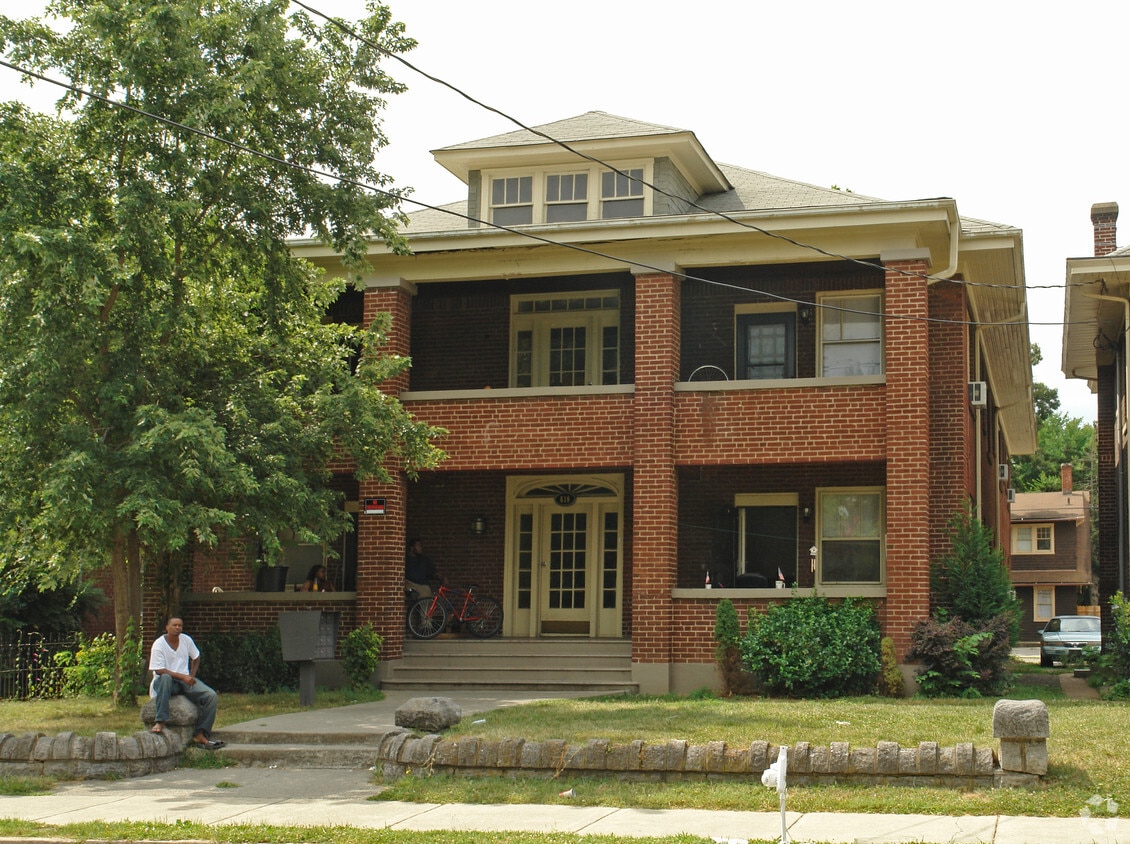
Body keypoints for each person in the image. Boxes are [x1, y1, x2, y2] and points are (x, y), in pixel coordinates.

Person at [148, 617, 224, 749]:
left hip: (184, 680)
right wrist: (183, 677)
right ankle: (160, 721)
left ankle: (200, 733)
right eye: (174, 625)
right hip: (164, 682)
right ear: (167, 627)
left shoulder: (186, 640)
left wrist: (191, 676)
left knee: (211, 695)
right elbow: (159, 670)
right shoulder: (159, 644)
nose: (177, 628)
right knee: (166, 677)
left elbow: (196, 657)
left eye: (180, 626)